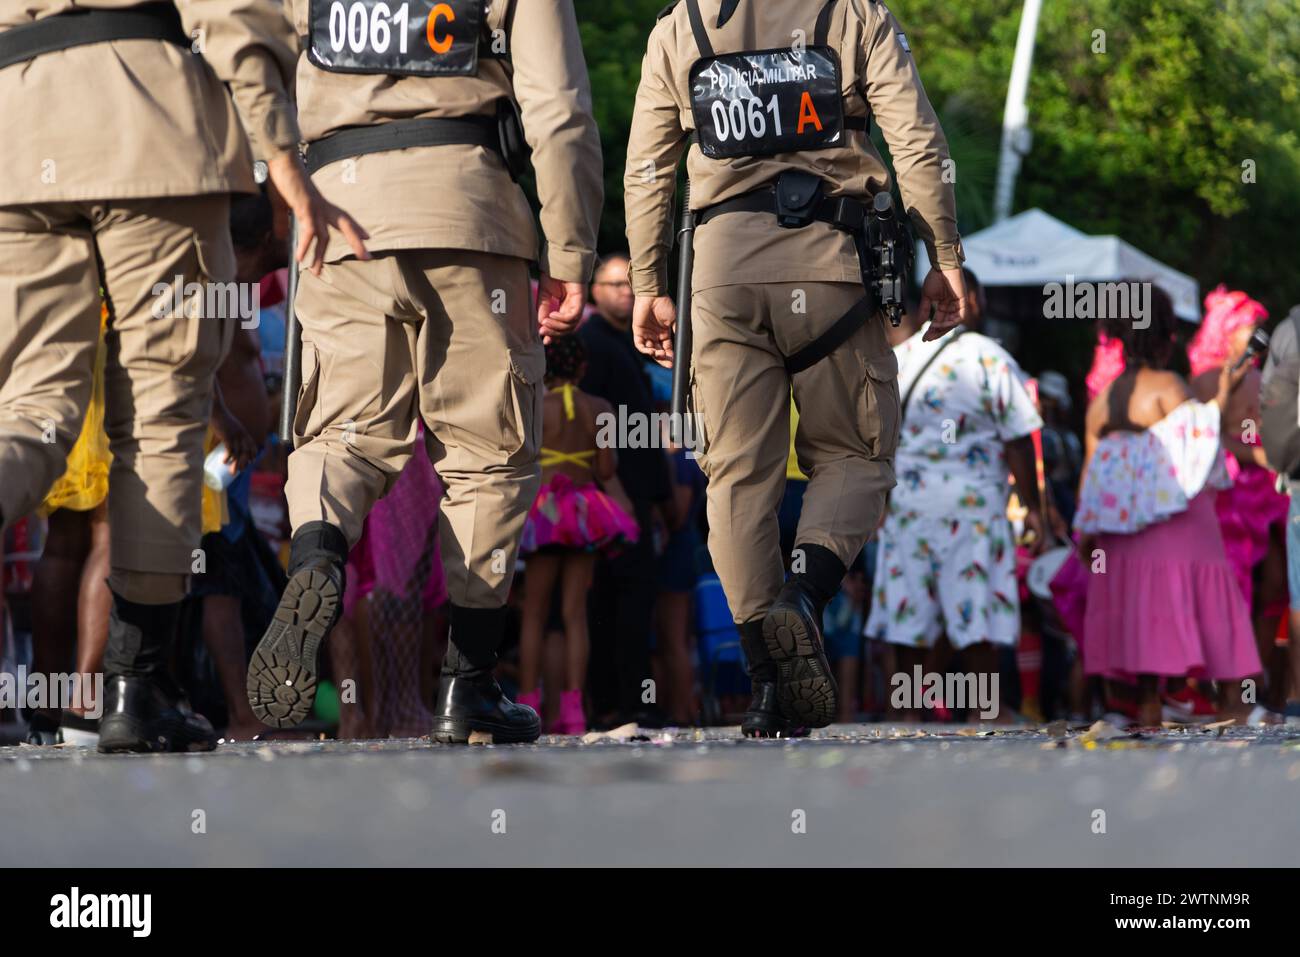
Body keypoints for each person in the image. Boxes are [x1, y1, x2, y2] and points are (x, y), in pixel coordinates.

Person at [0, 0, 365, 753]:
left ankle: (98, 692)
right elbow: (235, 16)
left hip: (16, 132)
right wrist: (286, 166)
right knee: (163, 421)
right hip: (152, 135)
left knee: (29, 409)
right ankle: (134, 692)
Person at [249, 0, 603, 745]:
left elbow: (252, 61)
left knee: (341, 433)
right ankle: (467, 686)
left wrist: (286, 185)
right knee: (487, 458)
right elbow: (560, 109)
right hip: (468, 208)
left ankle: (316, 554)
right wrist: (571, 252)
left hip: (339, 212)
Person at [625, 0, 968, 736]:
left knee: (736, 477)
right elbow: (916, 139)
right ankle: (804, 596)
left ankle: (767, 685)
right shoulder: (855, 16)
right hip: (833, 263)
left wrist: (650, 286)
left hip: (721, 274)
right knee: (854, 452)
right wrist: (944, 254)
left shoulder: (677, 28)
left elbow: (649, 169)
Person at [1075, 291, 1261, 727]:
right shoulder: (1170, 387)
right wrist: (1225, 391)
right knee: (1213, 594)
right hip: (1177, 524)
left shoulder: (1101, 404)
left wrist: (1086, 539)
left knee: (1138, 605)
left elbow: (1091, 480)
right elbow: (1200, 440)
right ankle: (1234, 701)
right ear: (1167, 338)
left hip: (1120, 536)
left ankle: (1146, 703)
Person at [864, 273, 1045, 718]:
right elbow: (1019, 438)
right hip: (975, 508)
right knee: (976, 606)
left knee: (911, 611)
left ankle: (908, 708)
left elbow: (874, 438)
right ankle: (985, 707)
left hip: (909, 507)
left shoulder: (897, 360)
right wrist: (1034, 509)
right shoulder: (990, 359)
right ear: (974, 303)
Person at [517, 336, 639, 736]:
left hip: (546, 513)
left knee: (533, 613)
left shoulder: (535, 406)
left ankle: (527, 703)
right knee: (575, 615)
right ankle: (573, 711)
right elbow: (606, 469)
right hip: (587, 513)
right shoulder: (599, 409)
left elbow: (524, 459)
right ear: (583, 368)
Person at [578, 253, 673, 726]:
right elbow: (593, 429)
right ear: (594, 289)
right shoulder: (590, 343)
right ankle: (616, 705)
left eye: (631, 284)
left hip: (635, 494)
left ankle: (632, 701)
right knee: (611, 605)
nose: (626, 292)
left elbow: (647, 435)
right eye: (615, 284)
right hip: (606, 497)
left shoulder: (627, 345)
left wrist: (658, 498)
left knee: (637, 604)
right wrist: (611, 493)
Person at [1188, 287, 1288, 708]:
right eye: (1246, 325)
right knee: (1231, 594)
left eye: (1256, 326)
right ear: (1225, 331)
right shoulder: (1208, 380)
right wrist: (1254, 452)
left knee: (1275, 588)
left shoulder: (1260, 376)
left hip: (1268, 495)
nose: (1254, 333)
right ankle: (1226, 692)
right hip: (1226, 500)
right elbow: (1198, 437)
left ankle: (1257, 685)